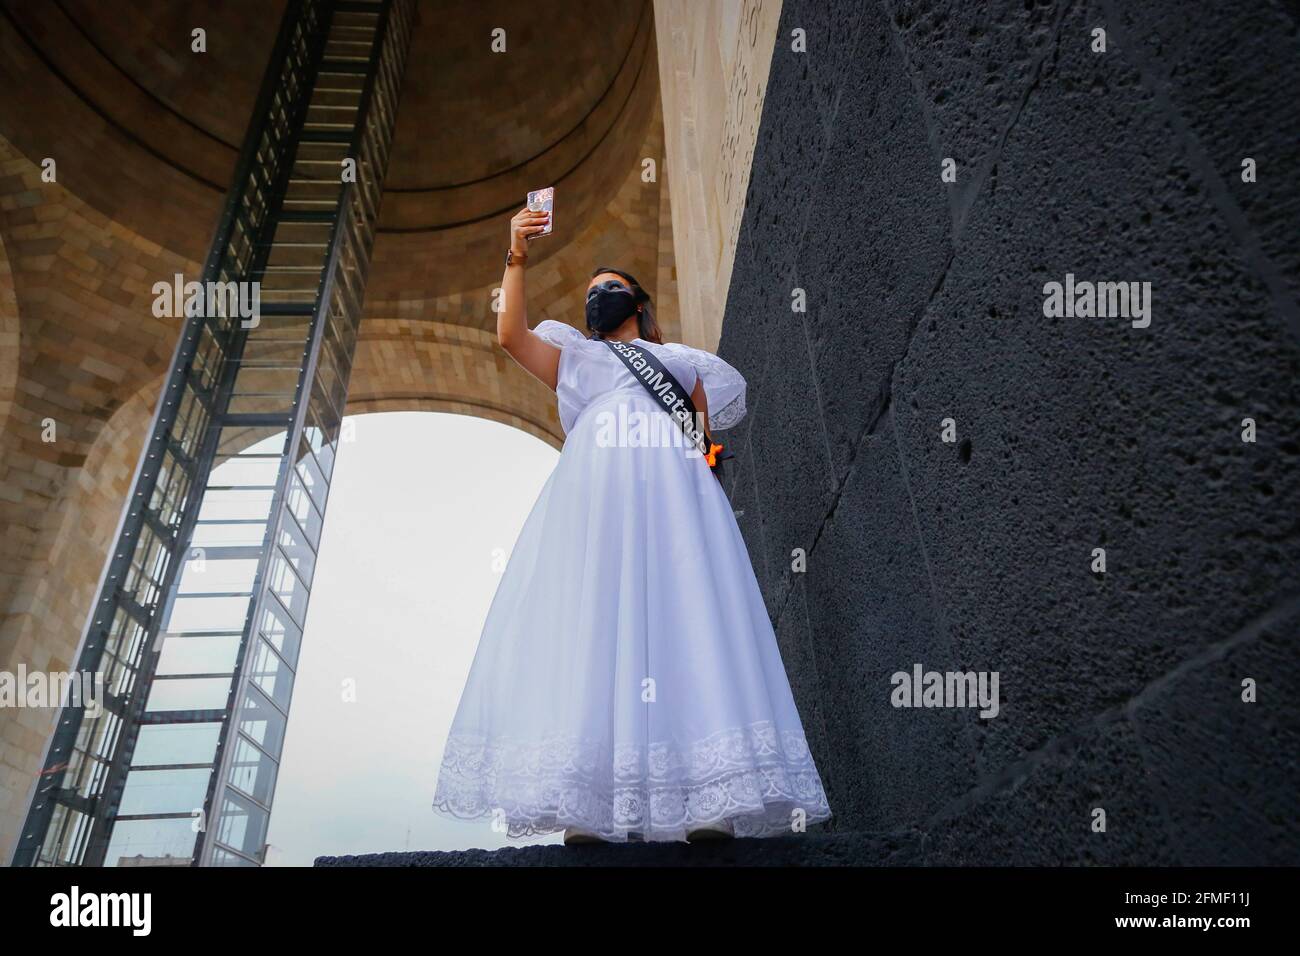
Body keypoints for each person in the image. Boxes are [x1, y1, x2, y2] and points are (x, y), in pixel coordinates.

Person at [431, 204, 832, 844]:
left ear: (638, 303)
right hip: (597, 498)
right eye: (590, 293)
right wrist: (516, 254)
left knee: (685, 615)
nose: (597, 299)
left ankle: (706, 795)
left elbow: (703, 441)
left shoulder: (680, 361)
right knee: (599, 620)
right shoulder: (573, 358)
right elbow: (509, 336)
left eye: (609, 290)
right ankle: (588, 800)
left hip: (675, 495)